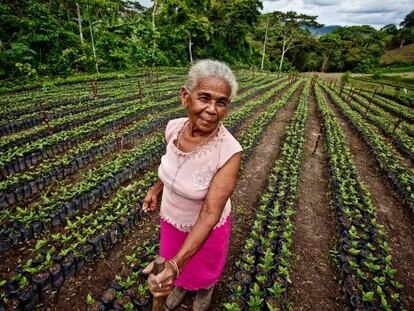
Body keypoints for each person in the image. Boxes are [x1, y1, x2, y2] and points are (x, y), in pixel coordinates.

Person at [142, 59, 243, 310]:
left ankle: (204, 290)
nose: (212, 109)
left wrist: (175, 265)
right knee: (174, 259)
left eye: (221, 102)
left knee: (201, 265)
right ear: (186, 97)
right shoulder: (174, 128)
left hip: (206, 226)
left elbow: (210, 213)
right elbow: (171, 165)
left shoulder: (229, 152)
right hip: (172, 218)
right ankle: (182, 284)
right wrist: (156, 189)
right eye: (204, 98)